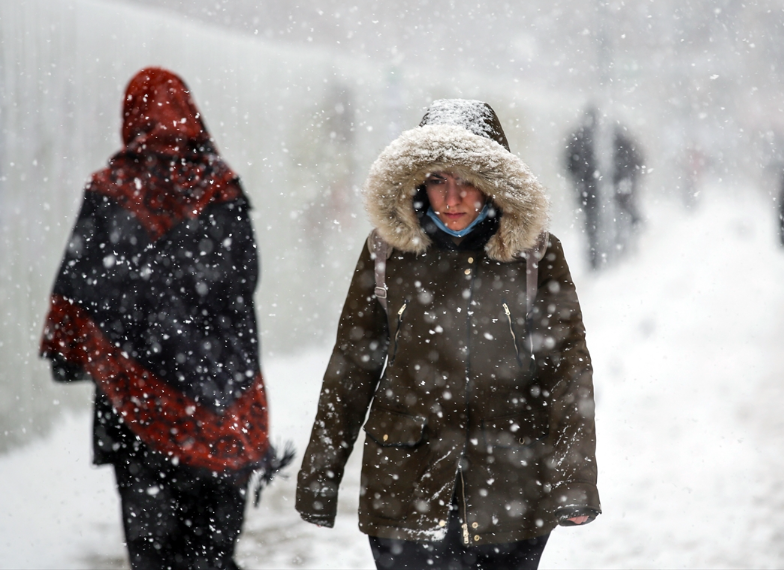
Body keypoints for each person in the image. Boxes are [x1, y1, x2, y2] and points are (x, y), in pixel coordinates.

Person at [296, 99, 600, 570]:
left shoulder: (536, 255)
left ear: (494, 183)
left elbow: (567, 371)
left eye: (467, 180)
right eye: (438, 180)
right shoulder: (385, 253)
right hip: (403, 489)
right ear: (418, 182)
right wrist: (319, 478)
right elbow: (352, 366)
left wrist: (574, 482)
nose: (452, 198)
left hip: (511, 491)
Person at [40, 68, 289, 570]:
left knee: (153, 553)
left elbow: (79, 293)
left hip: (138, 411)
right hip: (223, 403)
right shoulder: (222, 189)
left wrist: (86, 356)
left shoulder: (112, 190)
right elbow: (246, 279)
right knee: (213, 554)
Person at [565, 106, 601, 270]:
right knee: (594, 223)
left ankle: (594, 257)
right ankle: (597, 257)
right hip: (592, 190)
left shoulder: (577, 138)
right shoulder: (605, 138)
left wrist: (579, 181)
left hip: (585, 190)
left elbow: (568, 163)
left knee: (590, 224)